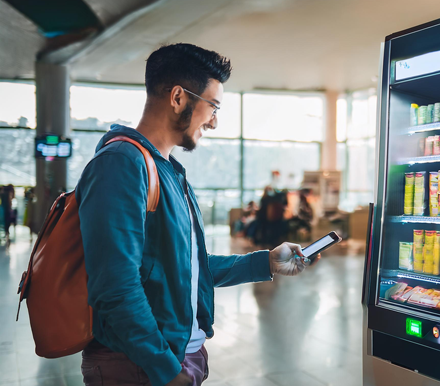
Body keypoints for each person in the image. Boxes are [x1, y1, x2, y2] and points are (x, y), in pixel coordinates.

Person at [76, 43, 319, 386]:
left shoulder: (168, 172)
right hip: (137, 367)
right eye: (213, 106)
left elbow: (185, 267)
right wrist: (165, 370)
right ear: (178, 97)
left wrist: (265, 262)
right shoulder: (121, 165)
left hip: (171, 358)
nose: (215, 122)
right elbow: (114, 287)